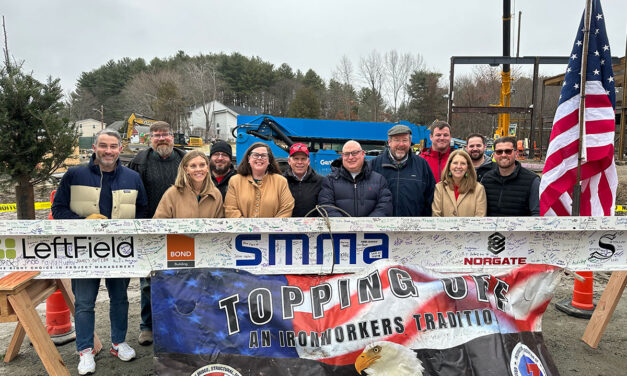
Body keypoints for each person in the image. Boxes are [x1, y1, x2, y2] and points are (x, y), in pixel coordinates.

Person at [51, 129, 148, 375]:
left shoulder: (132, 177)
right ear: (94, 148)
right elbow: (58, 210)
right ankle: (85, 351)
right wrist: (83, 221)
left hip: (119, 250)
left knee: (120, 299)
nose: (108, 151)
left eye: (113, 146)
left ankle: (118, 343)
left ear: (119, 149)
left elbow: (143, 213)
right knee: (84, 302)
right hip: (84, 250)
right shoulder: (74, 174)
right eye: (103, 146)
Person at [127, 121, 185, 346]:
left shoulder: (184, 160)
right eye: (156, 135)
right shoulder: (139, 162)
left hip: (181, 231)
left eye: (166, 135)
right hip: (149, 231)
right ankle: (148, 326)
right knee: (148, 282)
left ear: (173, 137)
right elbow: (131, 195)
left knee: (181, 278)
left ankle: (177, 323)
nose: (161, 139)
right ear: (149, 139)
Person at [371, 124, 435, 216]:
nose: (401, 144)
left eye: (405, 140)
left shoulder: (422, 165)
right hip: (383, 226)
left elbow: (430, 198)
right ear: (389, 142)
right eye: (397, 140)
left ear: (410, 142)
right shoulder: (375, 165)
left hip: (414, 227)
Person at [318, 140, 392, 217]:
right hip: (340, 228)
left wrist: (367, 226)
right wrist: (345, 225)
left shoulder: (379, 180)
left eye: (354, 153)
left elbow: (385, 206)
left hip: (370, 228)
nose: (350, 157)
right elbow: (325, 206)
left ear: (363, 154)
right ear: (342, 156)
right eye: (346, 154)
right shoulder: (330, 180)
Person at [224, 142, 294, 218]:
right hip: (243, 229)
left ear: (269, 160)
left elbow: (286, 209)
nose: (259, 158)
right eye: (255, 155)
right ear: (249, 159)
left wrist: (270, 228)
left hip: (272, 229)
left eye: (264, 156)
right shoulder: (235, 181)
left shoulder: (281, 181)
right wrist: (247, 228)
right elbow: (230, 209)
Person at [154, 151, 224, 218]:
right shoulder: (172, 193)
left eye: (202, 165)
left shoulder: (216, 194)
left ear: (207, 168)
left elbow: (220, 225)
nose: (198, 169)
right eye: (193, 166)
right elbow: (159, 223)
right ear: (186, 169)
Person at [481, 137, 540, 216]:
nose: (503, 155)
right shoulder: (486, 179)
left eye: (508, 151)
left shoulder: (532, 181)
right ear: (494, 155)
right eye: (499, 152)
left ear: (516, 153)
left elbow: (536, 213)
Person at [432, 149, 487, 217]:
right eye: (455, 163)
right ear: (449, 166)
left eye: (463, 163)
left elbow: (480, 218)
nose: (458, 166)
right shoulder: (439, 187)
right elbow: (436, 215)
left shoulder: (478, 189)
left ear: (468, 167)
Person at [283, 143, 323, 217]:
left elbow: (324, 207)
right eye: (296, 158)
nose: (300, 162)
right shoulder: (281, 182)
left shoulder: (320, 181)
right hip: (288, 227)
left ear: (308, 161)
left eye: (303, 159)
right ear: (289, 161)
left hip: (313, 226)